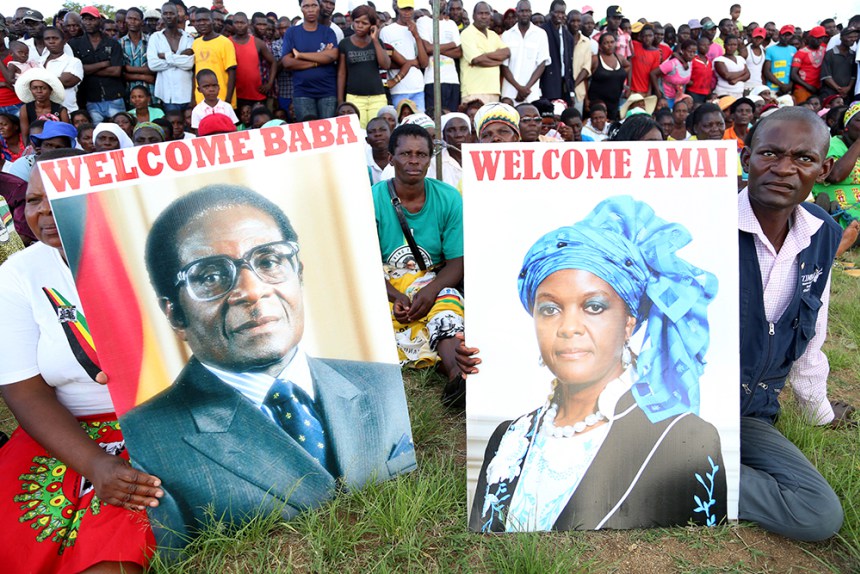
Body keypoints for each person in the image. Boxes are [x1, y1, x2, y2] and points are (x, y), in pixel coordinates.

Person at [120, 184, 417, 550]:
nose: (252, 290)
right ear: (174, 313)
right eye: (210, 276)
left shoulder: (383, 382)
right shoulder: (148, 443)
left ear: (299, 274)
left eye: (269, 261)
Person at [466, 195, 726, 532]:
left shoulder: (686, 439)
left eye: (593, 307)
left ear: (629, 322)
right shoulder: (507, 438)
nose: (569, 327)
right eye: (549, 309)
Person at [0, 148, 160, 573]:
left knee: (113, 545)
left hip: (157, 422)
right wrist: (94, 462)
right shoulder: (20, 273)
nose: (45, 212)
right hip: (62, 430)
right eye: (34, 200)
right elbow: (21, 387)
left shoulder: (151, 251)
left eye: (60, 197)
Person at [737, 106, 847, 541]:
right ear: (746, 157)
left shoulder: (821, 233)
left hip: (750, 416)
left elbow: (811, 332)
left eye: (803, 159)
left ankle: (689, 473)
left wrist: (817, 411)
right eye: (769, 153)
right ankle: (680, 464)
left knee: (816, 514)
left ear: (824, 168)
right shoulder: (701, 225)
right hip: (685, 408)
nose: (783, 169)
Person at [371, 124, 465, 406]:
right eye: (406, 154)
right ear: (391, 158)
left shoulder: (448, 197)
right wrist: (396, 295)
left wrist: (431, 290)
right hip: (384, 283)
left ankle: (457, 377)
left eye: (422, 154)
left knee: (446, 304)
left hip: (434, 279)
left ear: (430, 158)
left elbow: (457, 263)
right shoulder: (371, 199)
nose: (414, 161)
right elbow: (363, 265)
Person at [280, 0, 339, 121]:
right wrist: (320, 58)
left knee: (328, 134)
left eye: (314, 5)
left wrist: (300, 55)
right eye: (306, 6)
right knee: (308, 134)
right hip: (302, 91)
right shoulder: (292, 32)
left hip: (327, 91)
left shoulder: (328, 32)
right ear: (301, 8)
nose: (310, 9)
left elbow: (332, 56)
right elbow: (287, 62)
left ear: (319, 7)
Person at [69, 6, 126, 124]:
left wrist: (87, 69)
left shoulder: (112, 43)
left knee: (120, 132)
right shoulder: (75, 44)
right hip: (90, 99)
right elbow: (77, 71)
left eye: (92, 19)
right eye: (85, 19)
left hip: (114, 96)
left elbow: (116, 71)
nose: (88, 22)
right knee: (97, 135)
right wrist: (103, 64)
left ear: (99, 21)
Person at [811, 102, 860, 237]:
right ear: (846, 126)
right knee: (849, 219)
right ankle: (832, 222)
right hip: (838, 203)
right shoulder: (832, 145)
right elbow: (835, 175)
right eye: (859, 120)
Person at [337, 5, 389, 129]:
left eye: (364, 23)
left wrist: (375, 40)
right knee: (358, 134)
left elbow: (385, 64)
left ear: (372, 25)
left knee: (378, 132)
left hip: (377, 97)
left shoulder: (377, 42)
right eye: (357, 22)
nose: (359, 26)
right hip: (354, 98)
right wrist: (340, 100)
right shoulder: (345, 43)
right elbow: (341, 73)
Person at [146, 2, 195, 113]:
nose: (168, 16)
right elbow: (153, 65)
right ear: (162, 16)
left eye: (171, 13)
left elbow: (189, 63)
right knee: (172, 129)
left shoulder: (188, 38)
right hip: (167, 96)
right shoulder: (155, 38)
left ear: (177, 15)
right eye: (165, 13)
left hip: (187, 94)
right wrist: (179, 58)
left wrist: (165, 56)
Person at [380, 0, 429, 112]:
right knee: (401, 125)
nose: (407, 13)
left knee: (420, 124)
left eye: (409, 9)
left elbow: (424, 63)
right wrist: (410, 62)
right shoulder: (387, 31)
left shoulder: (417, 29)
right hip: (398, 89)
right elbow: (386, 63)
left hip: (418, 87)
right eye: (404, 9)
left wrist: (416, 36)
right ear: (397, 8)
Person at [416, 0, 461, 114]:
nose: (440, 2)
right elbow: (427, 48)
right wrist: (452, 44)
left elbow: (459, 52)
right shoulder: (423, 21)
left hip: (452, 80)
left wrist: (435, 48)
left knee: (451, 116)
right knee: (434, 116)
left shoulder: (451, 24)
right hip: (432, 80)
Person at [500, 0, 550, 104]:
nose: (525, 14)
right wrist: (519, 88)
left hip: (531, 93)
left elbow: (541, 65)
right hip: (509, 93)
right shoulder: (507, 35)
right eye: (522, 11)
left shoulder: (540, 34)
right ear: (516, 12)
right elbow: (504, 66)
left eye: (528, 11)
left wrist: (525, 89)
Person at [459, 2, 509, 104]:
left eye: (486, 13)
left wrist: (485, 55)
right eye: (480, 13)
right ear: (473, 16)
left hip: (493, 91)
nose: (483, 16)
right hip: (473, 92)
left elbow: (506, 52)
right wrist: (497, 61)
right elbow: (477, 59)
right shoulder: (467, 33)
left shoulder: (493, 35)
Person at [192, 9, 237, 108]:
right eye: (198, 21)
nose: (202, 23)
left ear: (212, 21)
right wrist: (193, 98)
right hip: (201, 100)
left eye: (205, 20)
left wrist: (228, 100)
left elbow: (232, 73)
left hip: (222, 99)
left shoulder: (225, 42)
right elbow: (194, 72)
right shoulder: (195, 43)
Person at [230, 12, 276, 111]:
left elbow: (273, 62)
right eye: (236, 22)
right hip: (235, 95)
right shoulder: (227, 42)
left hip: (257, 94)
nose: (239, 25)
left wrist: (269, 84)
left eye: (242, 22)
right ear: (232, 24)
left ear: (248, 24)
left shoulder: (257, 42)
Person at [15, 67, 70, 143]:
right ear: (30, 90)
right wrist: (29, 149)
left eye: (43, 88)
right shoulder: (25, 109)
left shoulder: (61, 110)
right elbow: (25, 134)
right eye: (34, 88)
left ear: (50, 90)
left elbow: (67, 134)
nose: (39, 91)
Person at [40, 26, 83, 114]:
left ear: (64, 41)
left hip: (68, 112)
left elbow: (67, 81)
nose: (51, 41)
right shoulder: (39, 62)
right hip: (44, 113)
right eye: (47, 39)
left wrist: (39, 82)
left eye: (55, 38)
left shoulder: (73, 61)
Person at [587, 32, 628, 120]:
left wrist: (628, 86)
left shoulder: (619, 58)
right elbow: (585, 79)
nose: (609, 45)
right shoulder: (595, 59)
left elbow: (629, 66)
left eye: (612, 42)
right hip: (597, 103)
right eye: (606, 43)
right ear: (600, 46)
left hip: (614, 102)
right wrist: (586, 99)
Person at [538, 0, 572, 103]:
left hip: (564, 85)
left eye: (562, 13)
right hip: (547, 84)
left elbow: (569, 63)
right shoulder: (542, 32)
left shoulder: (567, 35)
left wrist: (571, 90)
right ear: (550, 12)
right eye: (557, 12)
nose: (560, 15)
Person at [120, 8, 157, 98]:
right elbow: (121, 72)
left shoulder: (152, 41)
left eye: (136, 19)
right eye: (129, 18)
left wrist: (129, 69)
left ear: (142, 22)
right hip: (129, 93)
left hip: (151, 92)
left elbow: (155, 68)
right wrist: (144, 77)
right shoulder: (119, 43)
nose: (132, 22)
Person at [651, 39, 696, 109]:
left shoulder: (690, 64)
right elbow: (653, 73)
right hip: (665, 97)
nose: (692, 54)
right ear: (683, 51)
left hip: (678, 98)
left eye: (694, 52)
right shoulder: (673, 64)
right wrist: (658, 92)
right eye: (689, 51)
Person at [790, 26, 828, 104]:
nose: (819, 41)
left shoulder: (824, 49)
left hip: (819, 89)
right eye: (817, 38)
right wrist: (809, 87)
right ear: (810, 38)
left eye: (822, 38)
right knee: (801, 113)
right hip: (802, 89)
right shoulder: (801, 52)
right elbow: (793, 74)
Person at [763, 25, 796, 96]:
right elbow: (767, 71)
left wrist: (789, 85)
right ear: (780, 35)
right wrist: (781, 85)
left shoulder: (793, 49)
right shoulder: (770, 49)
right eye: (784, 35)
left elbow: (794, 70)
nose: (786, 37)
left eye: (789, 35)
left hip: (788, 89)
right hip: (773, 88)